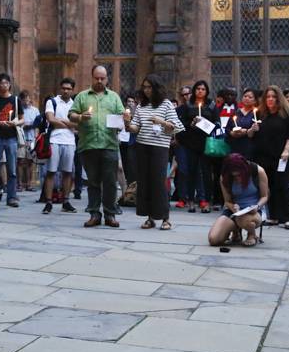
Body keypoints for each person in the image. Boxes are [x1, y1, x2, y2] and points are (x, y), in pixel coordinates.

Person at [69, 65, 126, 227]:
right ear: (92, 77)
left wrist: (124, 119)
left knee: (110, 181)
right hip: (89, 144)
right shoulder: (82, 96)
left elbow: (122, 115)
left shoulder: (114, 97)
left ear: (107, 78)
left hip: (109, 144)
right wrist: (80, 116)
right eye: (97, 78)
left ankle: (110, 214)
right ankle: (94, 213)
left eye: (102, 78)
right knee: (93, 182)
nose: (100, 81)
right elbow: (71, 115)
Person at [125, 74, 183, 230]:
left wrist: (161, 121)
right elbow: (135, 128)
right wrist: (126, 123)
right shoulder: (141, 106)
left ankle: (165, 218)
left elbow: (175, 127)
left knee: (159, 182)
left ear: (156, 88)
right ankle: (150, 218)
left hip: (159, 148)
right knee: (145, 182)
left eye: (149, 87)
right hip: (142, 146)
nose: (146, 90)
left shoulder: (166, 105)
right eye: (144, 87)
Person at [253, 85, 289, 229]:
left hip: (281, 155)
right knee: (268, 185)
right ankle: (273, 216)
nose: (270, 99)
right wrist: (252, 130)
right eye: (268, 97)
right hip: (264, 154)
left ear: (279, 98)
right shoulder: (260, 114)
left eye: (273, 97)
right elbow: (253, 135)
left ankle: (286, 217)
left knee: (282, 184)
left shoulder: (288, 113)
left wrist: (286, 150)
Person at [176, 80, 219, 213]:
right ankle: (190, 201)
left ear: (206, 91)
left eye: (203, 89)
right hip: (191, 143)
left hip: (206, 142)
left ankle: (205, 200)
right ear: (194, 90)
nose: (200, 91)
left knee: (206, 172)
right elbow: (182, 123)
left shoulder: (211, 105)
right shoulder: (188, 105)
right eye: (198, 89)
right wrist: (192, 124)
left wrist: (207, 123)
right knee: (192, 171)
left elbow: (217, 122)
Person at [208, 152, 269, 247]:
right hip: (235, 210)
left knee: (245, 220)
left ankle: (252, 234)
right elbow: (227, 201)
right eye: (234, 176)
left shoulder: (258, 171)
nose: (237, 178)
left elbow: (264, 196)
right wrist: (234, 208)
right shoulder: (224, 177)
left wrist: (257, 206)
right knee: (214, 239)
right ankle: (235, 231)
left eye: (240, 175)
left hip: (255, 209)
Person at [0, 73, 24, 208]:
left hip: (11, 136)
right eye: (1, 83)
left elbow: (22, 118)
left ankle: (12, 197)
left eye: (6, 83)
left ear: (9, 84)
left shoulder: (15, 100)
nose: (4, 85)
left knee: (12, 169)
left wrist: (15, 123)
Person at [42, 78, 78, 214]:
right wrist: (69, 124)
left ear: (72, 90)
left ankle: (66, 201)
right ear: (60, 88)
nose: (66, 91)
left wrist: (61, 121)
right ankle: (49, 202)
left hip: (69, 141)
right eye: (64, 88)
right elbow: (50, 119)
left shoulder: (75, 104)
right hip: (54, 140)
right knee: (51, 171)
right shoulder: (52, 102)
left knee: (68, 172)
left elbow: (79, 124)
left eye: (69, 89)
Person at [18, 91, 40, 192]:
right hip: (21, 138)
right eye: (24, 100)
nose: (26, 102)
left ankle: (29, 183)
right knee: (21, 161)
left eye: (27, 99)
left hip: (31, 138)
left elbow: (38, 123)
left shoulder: (35, 110)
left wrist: (36, 137)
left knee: (31, 162)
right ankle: (20, 184)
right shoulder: (20, 110)